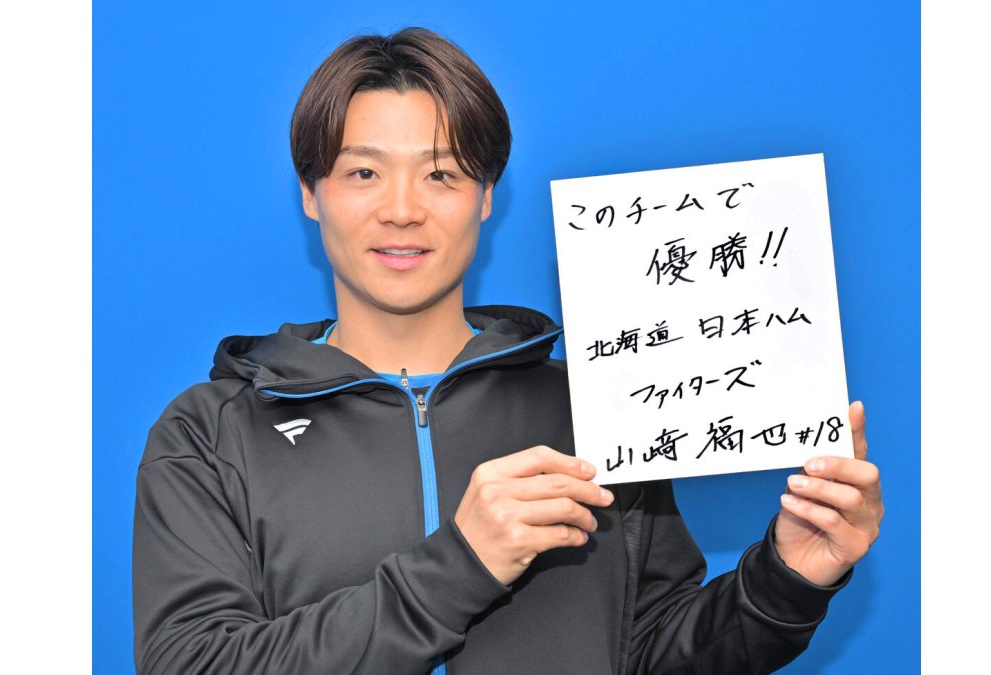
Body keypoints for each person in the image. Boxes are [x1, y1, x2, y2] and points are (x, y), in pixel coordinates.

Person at [132, 27, 884, 675]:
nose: (402, 209)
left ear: (487, 195)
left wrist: (788, 577)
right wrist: (461, 565)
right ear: (311, 192)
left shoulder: (600, 403)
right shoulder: (212, 432)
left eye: (442, 173)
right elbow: (192, 661)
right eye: (363, 172)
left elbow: (652, 650)